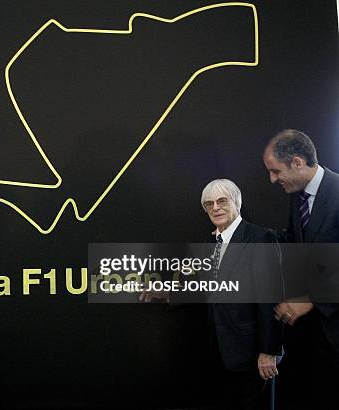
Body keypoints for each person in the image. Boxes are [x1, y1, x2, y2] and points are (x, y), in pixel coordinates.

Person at [141, 179, 283, 409]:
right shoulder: (211, 242)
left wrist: (268, 351)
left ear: (236, 202)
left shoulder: (260, 238)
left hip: (252, 354)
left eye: (221, 201)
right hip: (218, 351)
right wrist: (167, 294)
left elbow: (271, 299)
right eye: (209, 204)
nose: (215, 207)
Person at [262, 129, 339, 408]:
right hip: (311, 341)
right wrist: (243, 230)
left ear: (296, 162)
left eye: (275, 171)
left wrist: (310, 298)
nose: (272, 179)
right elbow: (295, 241)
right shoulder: (297, 196)